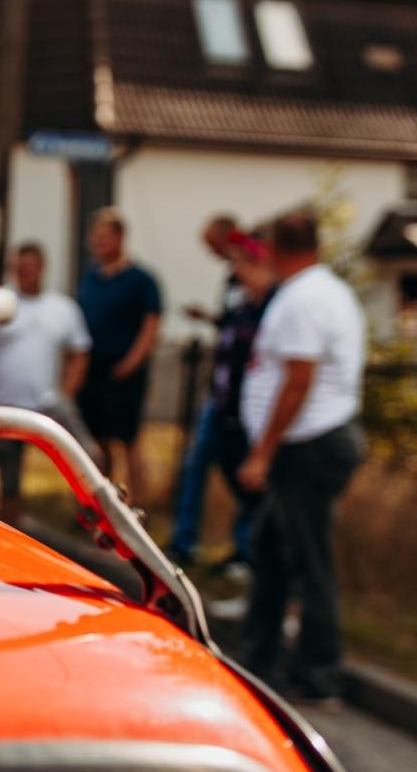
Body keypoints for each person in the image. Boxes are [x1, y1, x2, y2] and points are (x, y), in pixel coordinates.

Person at [238, 210, 366, 702]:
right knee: (271, 548)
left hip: (307, 445)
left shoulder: (302, 299)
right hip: (312, 441)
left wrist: (263, 452)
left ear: (274, 248)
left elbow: (298, 381)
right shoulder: (324, 291)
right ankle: (260, 658)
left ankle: (319, 673)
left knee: (308, 559)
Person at [170, 214, 260, 573]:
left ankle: (246, 551)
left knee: (244, 473)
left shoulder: (259, 284)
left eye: (211, 245)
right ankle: (185, 542)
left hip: (243, 397)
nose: (210, 253)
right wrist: (209, 318)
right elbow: (232, 326)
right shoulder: (233, 280)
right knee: (198, 462)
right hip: (221, 393)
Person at [0, 242, 98, 523]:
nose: (23, 273)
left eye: (28, 267)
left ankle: (90, 519)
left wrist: (68, 391)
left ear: (41, 268)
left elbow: (80, 352)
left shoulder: (62, 307)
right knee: (8, 479)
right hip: (7, 405)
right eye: (18, 268)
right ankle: (8, 529)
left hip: (49, 402)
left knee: (89, 457)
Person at [76, 208, 163, 500]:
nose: (99, 242)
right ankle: (104, 501)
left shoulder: (141, 280)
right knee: (99, 439)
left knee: (128, 439)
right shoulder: (92, 277)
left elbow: (151, 325)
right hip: (93, 369)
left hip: (124, 370)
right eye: (96, 236)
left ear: (120, 238)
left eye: (105, 236)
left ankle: (137, 504)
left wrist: (131, 363)